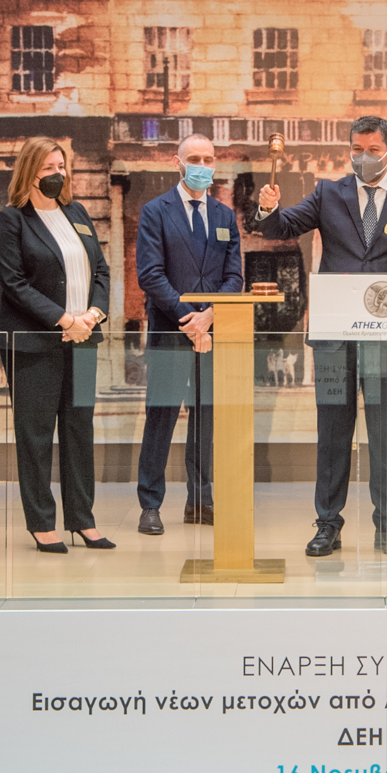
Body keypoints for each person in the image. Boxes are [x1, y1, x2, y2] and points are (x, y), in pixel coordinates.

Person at [255, 115, 387, 557]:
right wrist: (268, 208)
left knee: (385, 434)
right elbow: (281, 228)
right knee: (333, 433)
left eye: (372, 150)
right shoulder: (329, 193)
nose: (364, 158)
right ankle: (328, 524)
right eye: (356, 150)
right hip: (335, 338)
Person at [0, 137, 114, 553]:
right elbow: (14, 283)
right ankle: (42, 523)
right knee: (36, 433)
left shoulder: (76, 213)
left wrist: (93, 315)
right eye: (48, 168)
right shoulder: (11, 220)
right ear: (29, 172)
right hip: (33, 343)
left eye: (61, 166)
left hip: (83, 339)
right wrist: (64, 319)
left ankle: (83, 519)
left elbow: (101, 271)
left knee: (79, 430)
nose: (57, 174)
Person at [134, 133, 243, 535]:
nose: (202, 165)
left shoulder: (224, 216)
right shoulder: (155, 211)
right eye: (193, 158)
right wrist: (189, 318)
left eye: (208, 158)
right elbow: (150, 275)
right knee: (160, 417)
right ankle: (150, 505)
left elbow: (234, 277)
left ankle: (200, 500)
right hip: (170, 329)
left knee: (205, 418)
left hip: (213, 332)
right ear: (177, 162)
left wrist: (210, 315)